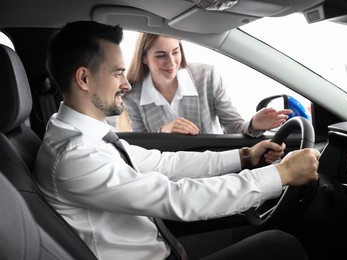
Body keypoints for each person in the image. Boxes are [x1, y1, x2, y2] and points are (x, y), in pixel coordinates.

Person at [34, 20, 320, 260]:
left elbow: (164, 163)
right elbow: (179, 198)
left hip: (165, 245)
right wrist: (280, 174)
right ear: (83, 79)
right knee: (282, 245)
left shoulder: (83, 136)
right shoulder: (77, 155)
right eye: (118, 73)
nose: (127, 84)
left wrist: (245, 156)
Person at [117, 32, 292, 135]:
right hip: (169, 174)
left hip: (213, 166)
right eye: (161, 55)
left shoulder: (207, 76)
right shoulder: (132, 95)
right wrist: (163, 133)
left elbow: (234, 126)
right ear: (144, 58)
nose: (171, 62)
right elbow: (143, 147)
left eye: (175, 52)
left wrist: (254, 125)